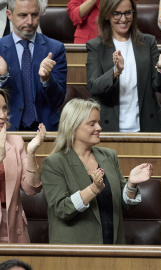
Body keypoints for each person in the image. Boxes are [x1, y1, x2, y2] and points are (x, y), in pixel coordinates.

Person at [41, 98, 153, 244]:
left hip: (112, 247)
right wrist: (93, 189)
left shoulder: (108, 156)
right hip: (75, 253)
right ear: (73, 127)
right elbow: (62, 209)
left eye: (98, 123)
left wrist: (131, 184)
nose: (99, 128)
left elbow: (124, 204)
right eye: (92, 124)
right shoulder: (54, 163)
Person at [86, 0, 161, 132]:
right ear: (106, 15)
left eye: (128, 13)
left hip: (147, 127)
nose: (123, 19)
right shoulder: (96, 46)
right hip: (109, 128)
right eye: (117, 14)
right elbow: (94, 87)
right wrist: (115, 72)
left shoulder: (148, 42)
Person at [0, 0, 67, 131]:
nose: (30, 21)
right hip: (7, 129)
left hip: (46, 130)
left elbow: (58, 100)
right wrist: (2, 77)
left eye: (34, 15)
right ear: (9, 15)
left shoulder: (55, 48)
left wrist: (47, 79)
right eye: (23, 15)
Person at [0, 88, 46, 243]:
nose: (2, 115)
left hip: (14, 226)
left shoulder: (16, 142)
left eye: (4, 108)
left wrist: (31, 153)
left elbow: (31, 188)